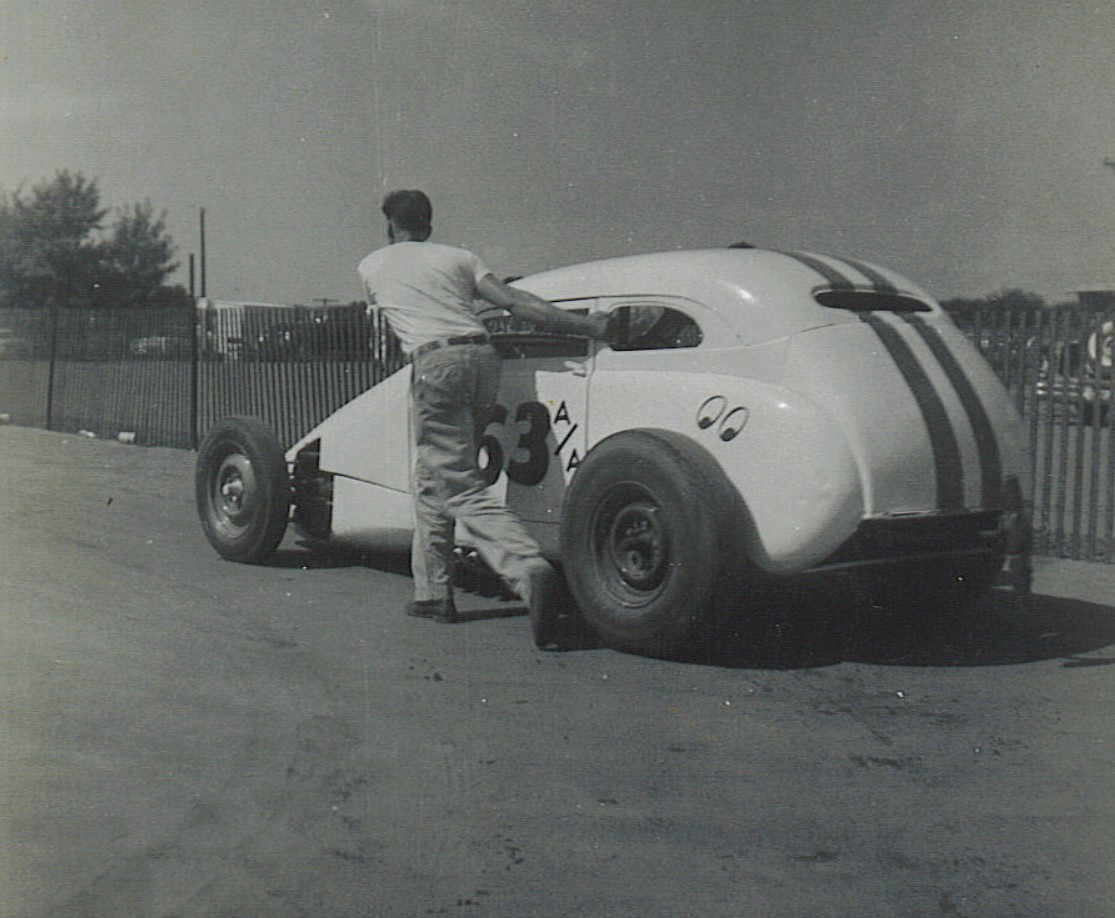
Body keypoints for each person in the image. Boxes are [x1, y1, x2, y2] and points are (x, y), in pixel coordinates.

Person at [358, 189, 610, 649]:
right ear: (430, 224)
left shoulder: (372, 266)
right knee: (435, 475)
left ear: (389, 225)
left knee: (455, 479)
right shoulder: (460, 258)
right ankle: (433, 592)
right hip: (481, 357)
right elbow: (515, 302)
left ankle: (525, 567)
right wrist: (588, 326)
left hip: (434, 363)